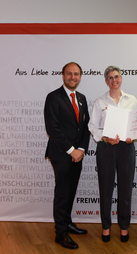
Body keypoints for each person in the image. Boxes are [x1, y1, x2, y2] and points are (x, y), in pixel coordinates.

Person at [88, 66, 137, 243]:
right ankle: (106, 227)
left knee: (125, 190)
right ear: (106, 81)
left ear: (121, 78)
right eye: (110, 78)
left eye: (116, 77)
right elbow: (92, 126)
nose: (114, 80)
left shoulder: (131, 100)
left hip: (126, 148)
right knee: (106, 189)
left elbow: (136, 125)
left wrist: (133, 136)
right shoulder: (100, 102)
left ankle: (124, 228)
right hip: (106, 148)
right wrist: (104, 137)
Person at [44, 62, 90, 250]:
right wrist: (72, 150)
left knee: (71, 191)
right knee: (62, 193)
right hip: (62, 154)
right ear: (63, 76)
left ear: (80, 76)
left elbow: (85, 127)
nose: (73, 77)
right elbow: (53, 129)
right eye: (69, 74)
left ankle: (67, 223)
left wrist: (81, 149)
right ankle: (60, 233)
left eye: (76, 74)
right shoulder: (53, 97)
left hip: (77, 154)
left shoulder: (82, 98)